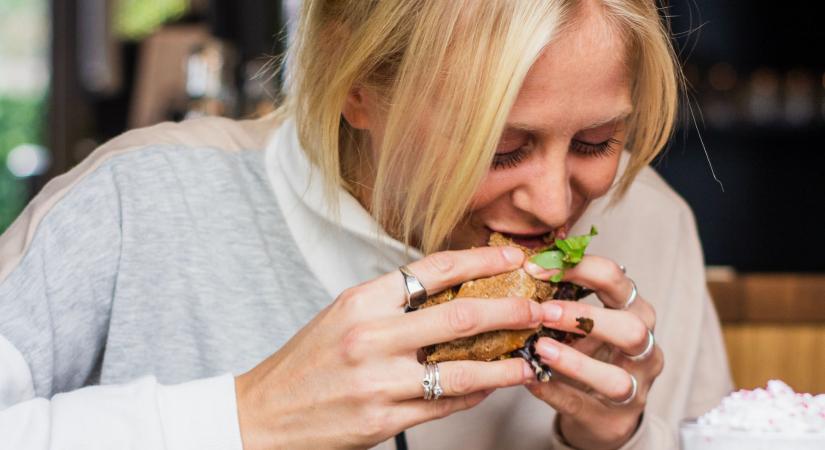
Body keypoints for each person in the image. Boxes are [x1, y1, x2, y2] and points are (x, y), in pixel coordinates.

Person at [0, 1, 733, 449]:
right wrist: (245, 419)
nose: (551, 204)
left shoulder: (651, 223)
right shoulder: (139, 203)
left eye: (596, 143)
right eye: (498, 148)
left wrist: (617, 441)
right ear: (356, 85)